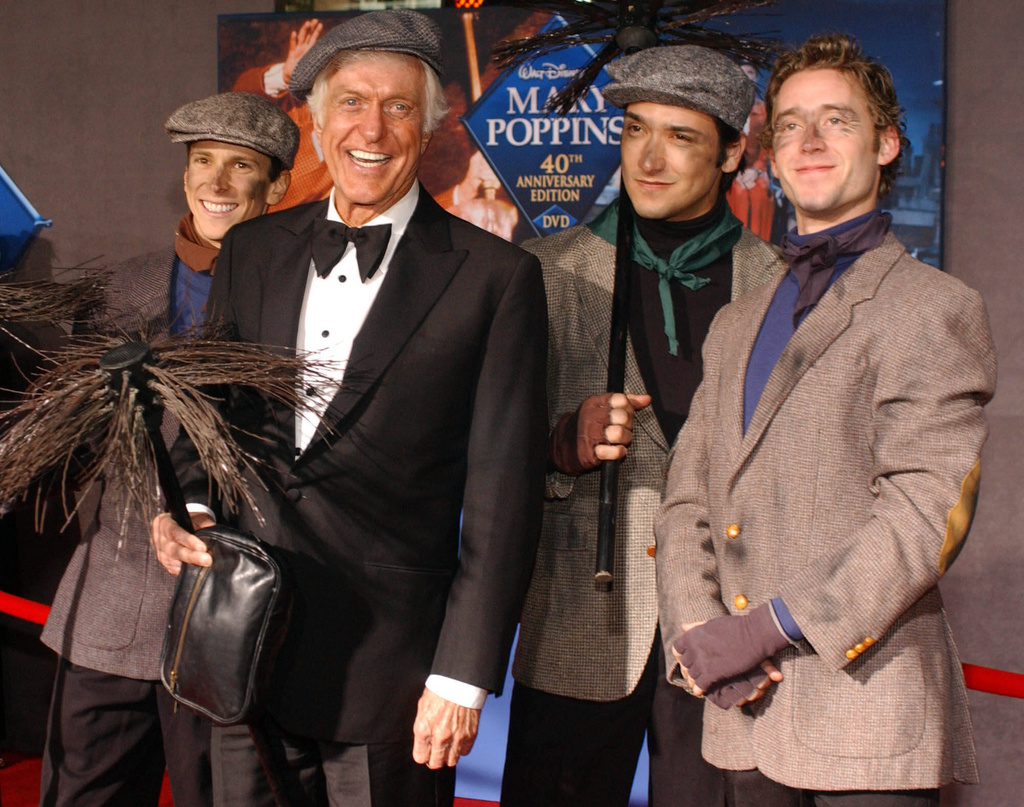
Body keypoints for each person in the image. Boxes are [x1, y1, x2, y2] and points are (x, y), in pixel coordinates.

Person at [151, 10, 547, 807]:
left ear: (430, 125)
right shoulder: (253, 249)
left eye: (398, 107)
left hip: (391, 677)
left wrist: (462, 676)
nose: (373, 128)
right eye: (353, 104)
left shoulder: (495, 278)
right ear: (319, 120)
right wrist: (188, 505)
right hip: (244, 649)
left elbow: (504, 497)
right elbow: (210, 413)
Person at [656, 33, 995, 807]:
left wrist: (765, 627)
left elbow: (923, 516)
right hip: (741, 715)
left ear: (886, 143)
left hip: (869, 719)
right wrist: (699, 633)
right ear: (770, 156)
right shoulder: (735, 322)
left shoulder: (934, 309)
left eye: (836, 120)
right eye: (790, 124)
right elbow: (685, 500)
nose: (809, 140)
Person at [501, 46, 783, 807]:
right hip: (581, 626)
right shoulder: (542, 272)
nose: (648, 159)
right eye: (634, 130)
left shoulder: (783, 288)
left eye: (681, 137)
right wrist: (561, 444)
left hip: (728, 627)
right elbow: (482, 454)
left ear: (733, 152)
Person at [37, 92, 296, 807]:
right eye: (202, 161)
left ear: (275, 187)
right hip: (112, 602)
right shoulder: (120, 290)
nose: (217, 181)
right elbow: (78, 445)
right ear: (184, 177)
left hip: (226, 612)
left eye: (240, 165)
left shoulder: (300, 300)